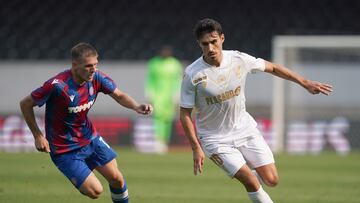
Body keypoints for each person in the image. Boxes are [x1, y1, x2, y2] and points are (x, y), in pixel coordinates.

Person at [179, 18, 333, 203]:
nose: (210, 48)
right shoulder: (192, 74)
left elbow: (273, 67)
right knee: (251, 182)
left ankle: (247, 173)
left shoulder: (238, 59)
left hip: (245, 129)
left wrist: (304, 82)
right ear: (199, 44)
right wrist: (196, 148)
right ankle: (248, 177)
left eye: (214, 42)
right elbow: (185, 113)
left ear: (222, 38)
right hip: (215, 139)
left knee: (272, 180)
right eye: (205, 44)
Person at [19, 42, 153, 202]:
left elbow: (119, 95)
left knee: (117, 179)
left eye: (96, 64)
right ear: (75, 65)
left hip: (90, 139)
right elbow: (25, 104)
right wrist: (38, 136)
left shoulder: (97, 78)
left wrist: (137, 106)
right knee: (96, 191)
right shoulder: (57, 86)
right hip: (64, 150)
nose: (93, 69)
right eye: (88, 66)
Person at [145, 45, 182, 152]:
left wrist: (176, 95)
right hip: (157, 96)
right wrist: (149, 95)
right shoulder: (154, 63)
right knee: (157, 118)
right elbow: (150, 80)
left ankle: (164, 141)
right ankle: (158, 141)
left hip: (169, 96)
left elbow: (178, 80)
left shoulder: (175, 64)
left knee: (168, 119)